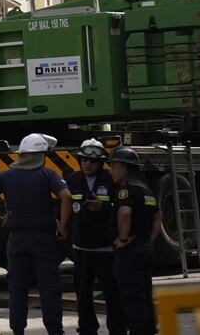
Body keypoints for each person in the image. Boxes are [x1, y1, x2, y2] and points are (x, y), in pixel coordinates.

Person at [0, 133, 72, 335]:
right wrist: (63, 226)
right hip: (44, 239)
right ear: (41, 154)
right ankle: (55, 330)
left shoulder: (7, 175)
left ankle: (18, 329)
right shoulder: (47, 174)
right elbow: (66, 197)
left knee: (18, 288)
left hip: (17, 240)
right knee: (49, 288)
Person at [66, 139, 124, 335]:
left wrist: (103, 207)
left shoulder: (110, 180)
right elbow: (64, 208)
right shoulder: (72, 180)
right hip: (81, 248)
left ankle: (117, 329)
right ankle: (87, 329)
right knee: (82, 294)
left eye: (92, 161)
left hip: (105, 248)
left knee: (112, 292)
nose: (87, 164)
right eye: (84, 160)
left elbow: (121, 208)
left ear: (100, 163)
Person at [109, 147, 162, 335]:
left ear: (125, 168)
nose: (111, 171)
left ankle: (138, 330)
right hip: (145, 247)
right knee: (145, 291)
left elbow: (125, 212)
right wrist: (148, 239)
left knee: (131, 294)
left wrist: (123, 239)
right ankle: (149, 328)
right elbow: (157, 218)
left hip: (130, 250)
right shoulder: (146, 190)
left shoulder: (126, 190)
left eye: (114, 166)